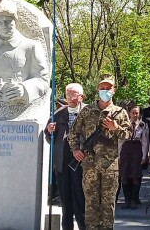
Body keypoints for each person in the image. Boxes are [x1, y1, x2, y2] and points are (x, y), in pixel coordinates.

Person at [68, 75, 131, 229]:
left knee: (108, 205)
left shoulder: (120, 112)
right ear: (98, 89)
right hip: (89, 165)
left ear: (114, 90)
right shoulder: (87, 110)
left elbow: (129, 135)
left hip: (110, 166)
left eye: (108, 88)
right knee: (91, 204)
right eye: (102, 88)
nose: (105, 91)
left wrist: (116, 128)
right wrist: (75, 149)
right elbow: (73, 132)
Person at [44, 83, 86, 230]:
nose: (71, 98)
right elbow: (49, 138)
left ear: (81, 96)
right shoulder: (58, 114)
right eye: (68, 95)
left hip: (82, 162)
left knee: (80, 201)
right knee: (66, 202)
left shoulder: (88, 112)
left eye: (74, 95)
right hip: (62, 162)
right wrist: (49, 131)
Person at [118, 105, 148, 210]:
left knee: (136, 175)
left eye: (137, 113)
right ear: (129, 113)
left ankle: (134, 199)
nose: (135, 115)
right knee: (125, 175)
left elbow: (144, 141)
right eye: (133, 113)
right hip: (126, 150)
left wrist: (145, 156)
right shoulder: (124, 124)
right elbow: (120, 140)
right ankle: (127, 200)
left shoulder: (142, 125)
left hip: (136, 149)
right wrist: (119, 154)